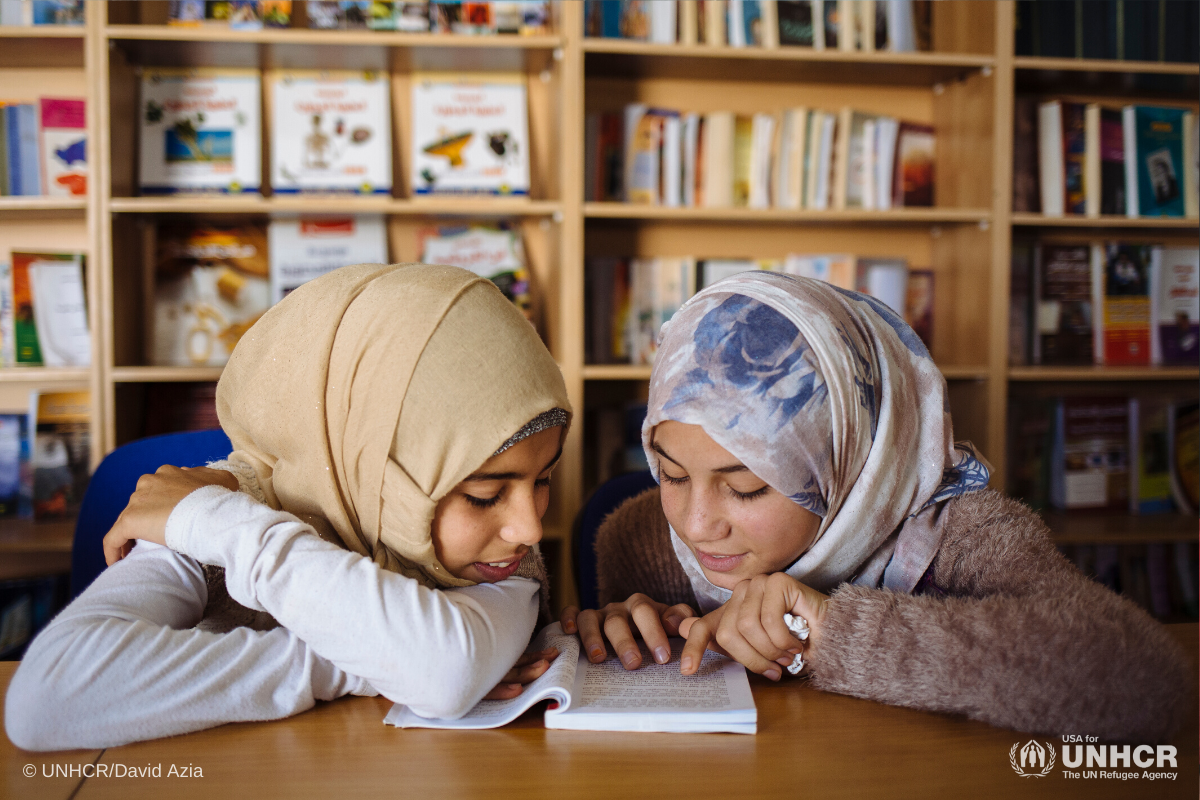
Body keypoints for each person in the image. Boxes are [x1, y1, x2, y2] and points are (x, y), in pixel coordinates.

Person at [563, 271, 1190, 742]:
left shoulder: (956, 530)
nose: (697, 524)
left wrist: (828, 631)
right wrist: (618, 638)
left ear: (846, 460)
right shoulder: (640, 537)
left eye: (747, 487)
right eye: (671, 475)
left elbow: (1146, 683)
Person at [7, 264, 571, 751]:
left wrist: (396, 653)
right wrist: (370, 662)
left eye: (543, 480)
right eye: (483, 495)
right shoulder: (210, 513)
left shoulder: (502, 563)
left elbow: (443, 671)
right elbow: (48, 699)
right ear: (372, 463)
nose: (528, 527)